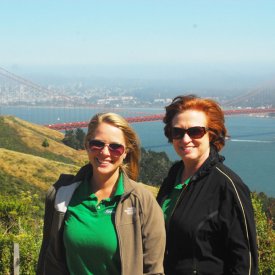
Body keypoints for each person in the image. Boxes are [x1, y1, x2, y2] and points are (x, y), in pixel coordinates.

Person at [37, 112, 166, 275]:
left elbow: (153, 270)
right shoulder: (63, 195)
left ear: (126, 152)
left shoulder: (142, 201)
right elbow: (49, 260)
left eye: (115, 147)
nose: (105, 152)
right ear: (87, 145)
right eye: (97, 144)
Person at [157, 95, 258, 275]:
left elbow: (245, 261)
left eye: (195, 131)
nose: (185, 139)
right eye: (178, 132)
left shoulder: (228, 186)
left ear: (211, 134)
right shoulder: (174, 175)